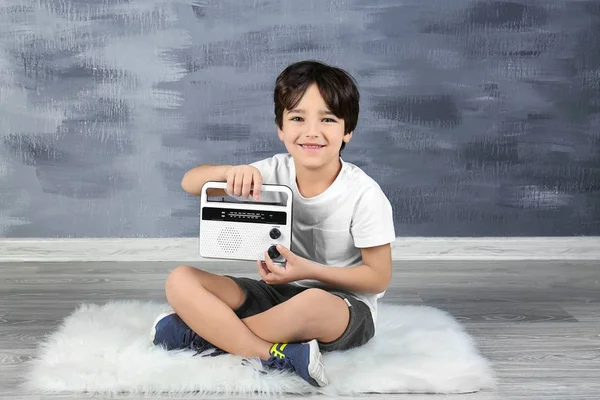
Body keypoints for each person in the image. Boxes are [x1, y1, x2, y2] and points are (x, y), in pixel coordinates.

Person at [151, 60, 396, 387]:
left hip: (342, 308)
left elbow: (377, 278)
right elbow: (190, 182)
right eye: (297, 118)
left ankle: (201, 335)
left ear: (347, 130)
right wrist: (227, 173)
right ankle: (269, 354)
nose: (311, 131)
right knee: (180, 279)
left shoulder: (364, 194)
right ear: (281, 128)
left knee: (311, 302)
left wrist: (307, 270)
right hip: (277, 293)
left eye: (327, 119)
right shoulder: (271, 172)